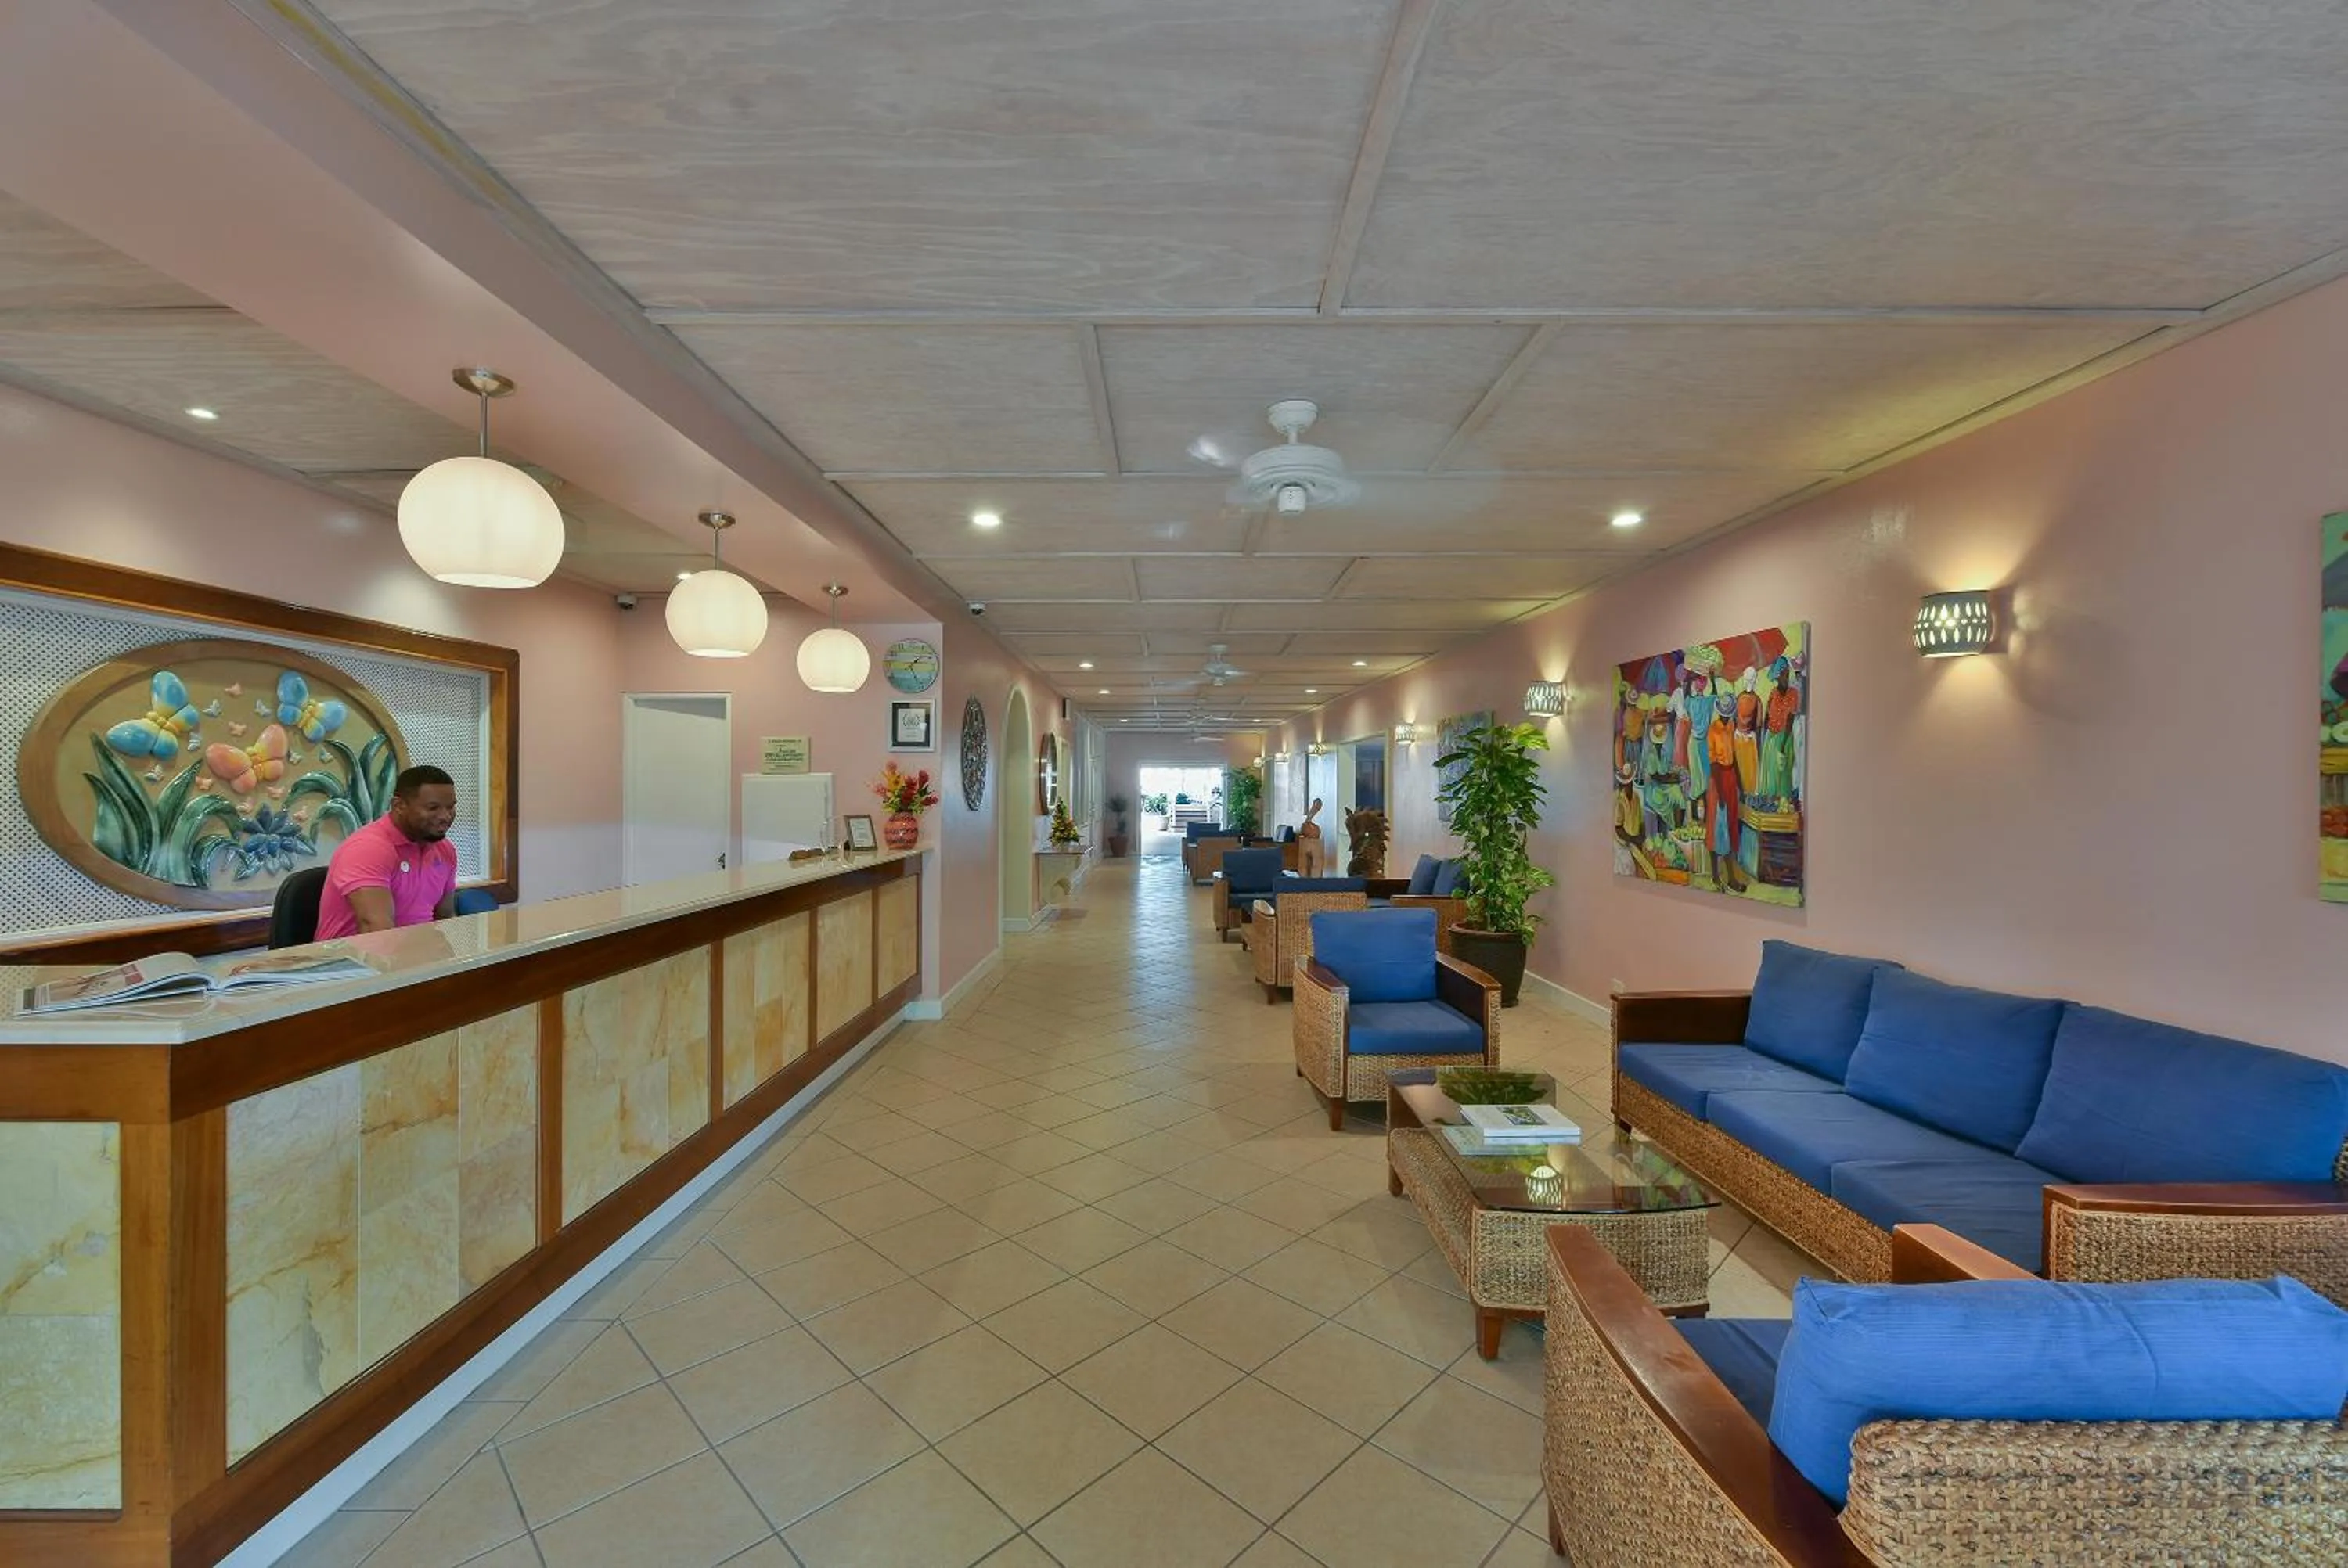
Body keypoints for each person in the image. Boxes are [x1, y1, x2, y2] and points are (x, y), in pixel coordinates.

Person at [314, 764, 460, 940]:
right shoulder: (368, 848)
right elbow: (376, 931)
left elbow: (446, 919)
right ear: (398, 805)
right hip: (351, 962)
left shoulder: (445, 850)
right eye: (433, 808)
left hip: (417, 957)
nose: (445, 816)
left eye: (450, 807)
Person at [1299, 797, 1325, 875]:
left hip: (1314, 845)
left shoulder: (1313, 828)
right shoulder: (1307, 826)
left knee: (1315, 866)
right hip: (1309, 844)